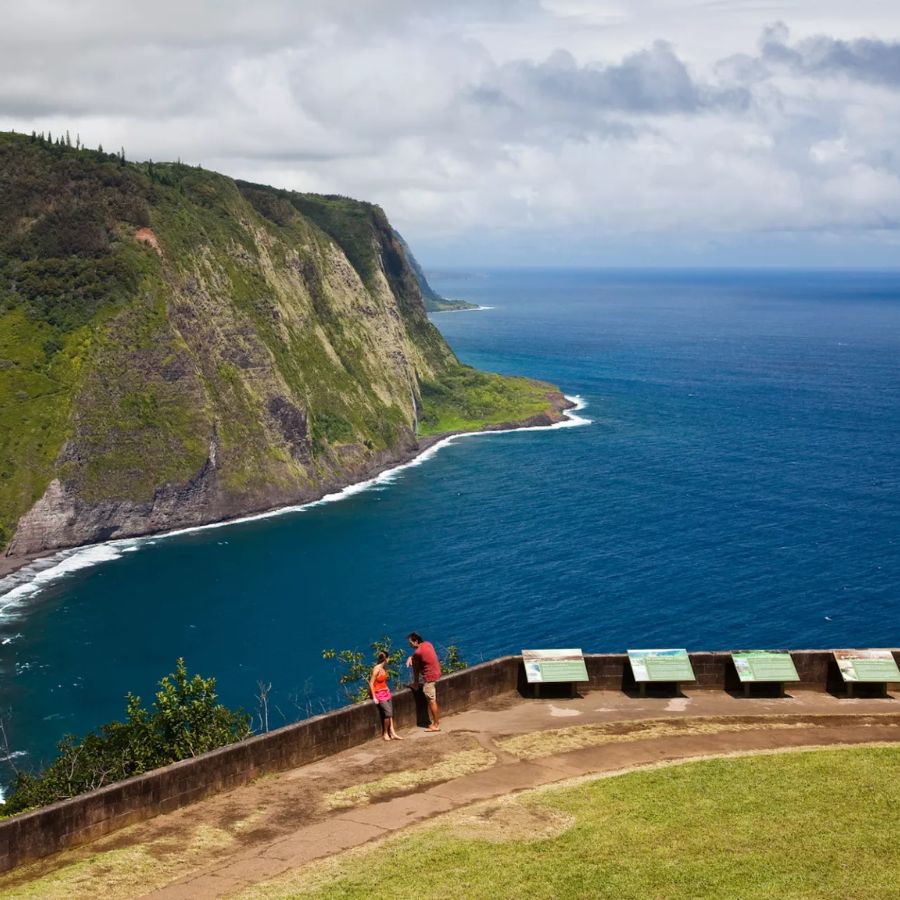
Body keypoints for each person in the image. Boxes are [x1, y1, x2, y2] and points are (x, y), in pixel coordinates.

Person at [406, 632, 441, 732]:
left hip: (429, 678)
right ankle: (436, 723)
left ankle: (436, 725)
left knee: (432, 701)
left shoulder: (417, 653)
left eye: (411, 642)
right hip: (437, 673)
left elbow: (416, 669)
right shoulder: (428, 644)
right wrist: (411, 658)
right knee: (432, 700)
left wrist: (416, 683)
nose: (410, 645)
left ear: (416, 641)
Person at [369, 651, 402, 741]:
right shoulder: (377, 669)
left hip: (386, 692)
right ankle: (385, 733)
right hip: (379, 694)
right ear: (386, 659)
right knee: (388, 713)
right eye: (388, 658)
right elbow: (371, 683)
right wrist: (374, 697)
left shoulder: (384, 668)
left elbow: (383, 681)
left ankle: (393, 732)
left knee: (390, 713)